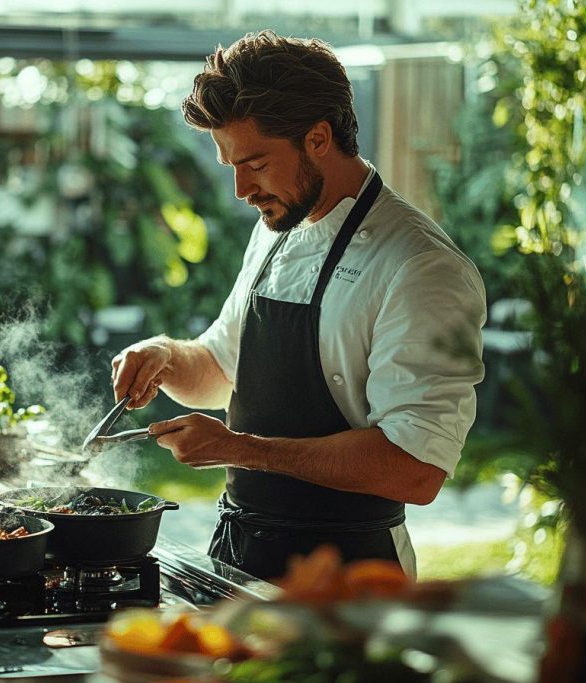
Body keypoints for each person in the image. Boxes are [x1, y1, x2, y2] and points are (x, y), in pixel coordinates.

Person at [111, 30, 487, 580]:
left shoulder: (420, 267)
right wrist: (166, 357)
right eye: (231, 165)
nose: (241, 189)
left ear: (318, 138)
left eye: (256, 163)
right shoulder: (278, 226)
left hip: (351, 579)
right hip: (238, 558)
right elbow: (220, 370)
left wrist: (242, 449)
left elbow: (414, 468)